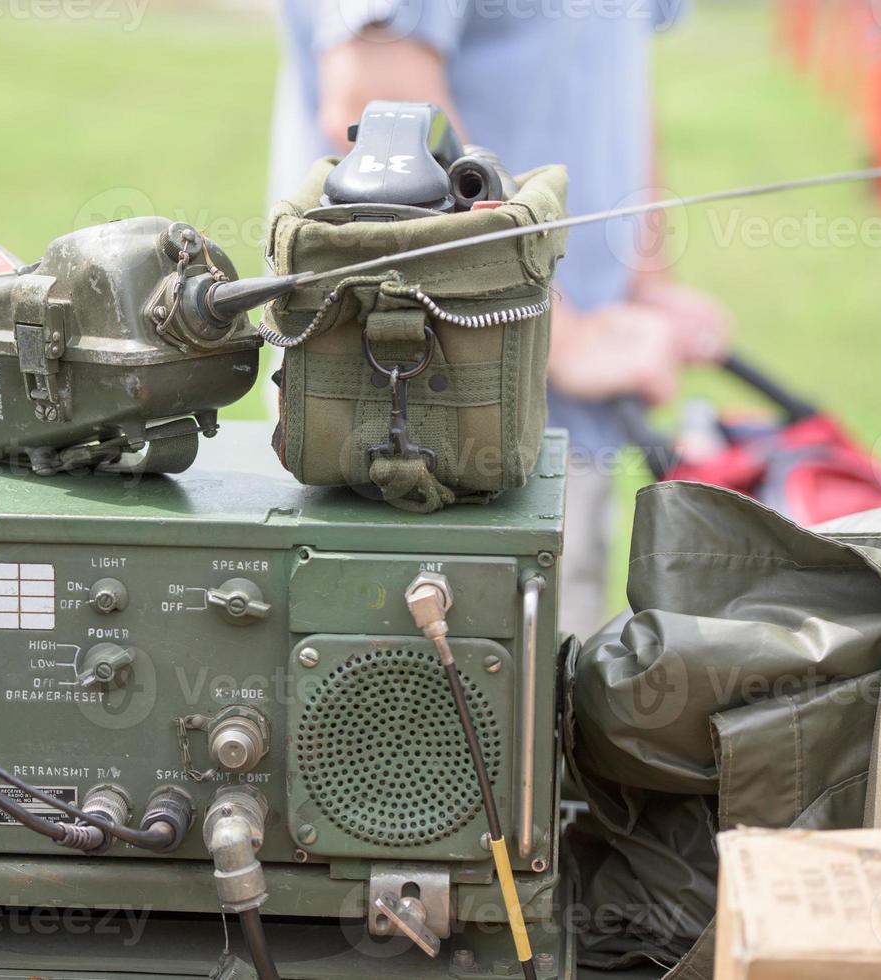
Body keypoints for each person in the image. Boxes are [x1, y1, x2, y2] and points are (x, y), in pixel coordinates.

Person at [269, 0, 732, 637]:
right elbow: (375, 90)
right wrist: (565, 337)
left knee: (554, 709)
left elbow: (614, 74)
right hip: (423, 414)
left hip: (569, 421)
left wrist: (647, 281)